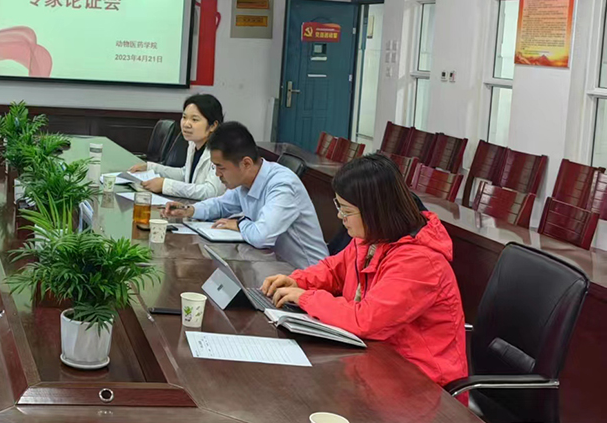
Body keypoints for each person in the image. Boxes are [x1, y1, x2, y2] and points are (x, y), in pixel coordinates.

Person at [261, 154, 468, 387]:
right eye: (339, 206)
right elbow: (334, 270)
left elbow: (366, 319)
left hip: (421, 384)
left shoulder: (420, 261)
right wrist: (297, 281)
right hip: (379, 364)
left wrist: (307, 298)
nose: (340, 216)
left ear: (374, 211)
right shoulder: (372, 238)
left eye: (347, 210)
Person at [164, 121, 327, 270]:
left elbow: (262, 236)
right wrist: (189, 210)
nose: (218, 174)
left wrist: (239, 223)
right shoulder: (245, 181)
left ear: (246, 163)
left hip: (310, 275)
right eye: (215, 167)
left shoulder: (282, 185)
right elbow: (221, 205)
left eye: (221, 168)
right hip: (275, 267)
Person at [129, 94, 225, 200]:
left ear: (213, 126)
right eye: (184, 117)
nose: (186, 124)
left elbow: (210, 191)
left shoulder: (222, 151)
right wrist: (151, 168)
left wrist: (165, 185)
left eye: (194, 119)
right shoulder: (193, 144)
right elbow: (185, 174)